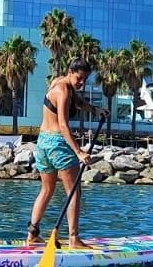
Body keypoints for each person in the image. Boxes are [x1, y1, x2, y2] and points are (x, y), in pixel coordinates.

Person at [26, 58, 103, 249]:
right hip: (58, 144)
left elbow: (78, 102)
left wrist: (95, 109)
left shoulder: (58, 82)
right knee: (74, 191)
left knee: (47, 190)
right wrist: (78, 152)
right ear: (71, 71)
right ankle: (74, 238)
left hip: (42, 143)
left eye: (85, 79)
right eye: (79, 78)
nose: (82, 83)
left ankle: (32, 234)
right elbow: (62, 124)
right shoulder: (63, 91)